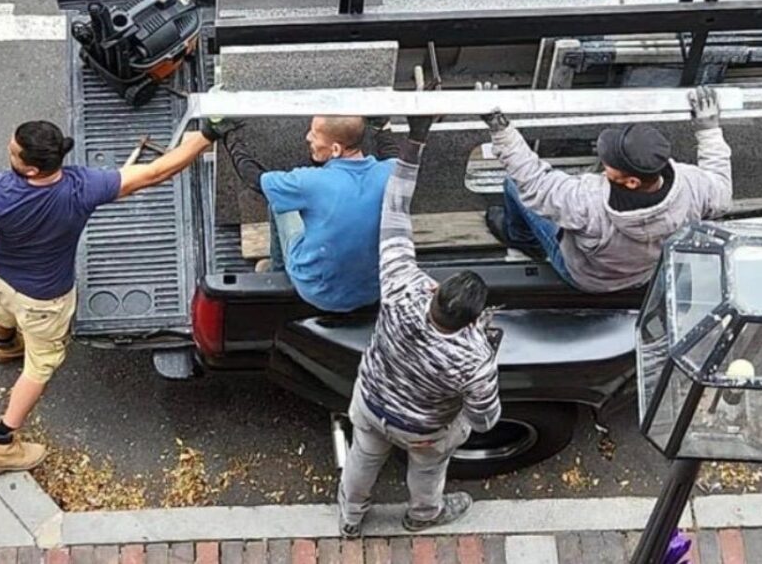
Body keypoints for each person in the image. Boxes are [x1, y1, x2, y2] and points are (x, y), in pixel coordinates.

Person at [0, 119, 226, 474]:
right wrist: (207, 135)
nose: (9, 150)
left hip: (3, 278)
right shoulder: (83, 188)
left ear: (31, 168)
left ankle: (3, 345)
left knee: (2, 309)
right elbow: (157, 172)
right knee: (41, 365)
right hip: (46, 300)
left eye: (13, 150)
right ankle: (1, 443)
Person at [337, 115, 502, 537]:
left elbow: (395, 207)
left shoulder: (400, 289)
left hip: (372, 404)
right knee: (428, 473)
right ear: (472, 319)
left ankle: (351, 518)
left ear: (436, 292)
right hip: (424, 430)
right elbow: (485, 420)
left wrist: (416, 139)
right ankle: (422, 516)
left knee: (361, 459)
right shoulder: (475, 358)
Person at [482, 86, 732, 293]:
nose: (604, 165)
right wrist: (709, 129)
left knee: (513, 184)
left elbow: (535, 183)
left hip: (587, 277)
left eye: (610, 164)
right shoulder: (692, 186)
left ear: (631, 181)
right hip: (643, 273)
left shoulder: (588, 203)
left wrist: (501, 131)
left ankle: (521, 239)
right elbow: (722, 193)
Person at [219, 115, 397, 313]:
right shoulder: (391, 173)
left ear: (336, 149)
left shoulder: (308, 182)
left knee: (280, 203)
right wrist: (383, 127)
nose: (307, 137)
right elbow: (392, 154)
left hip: (318, 291)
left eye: (315, 134)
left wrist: (228, 134)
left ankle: (277, 272)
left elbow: (252, 177)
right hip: (375, 290)